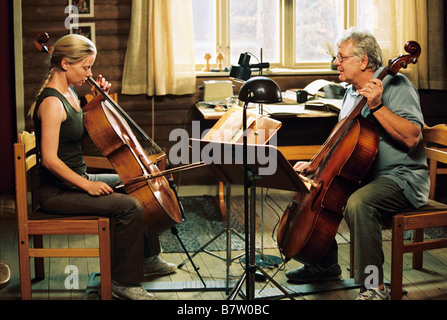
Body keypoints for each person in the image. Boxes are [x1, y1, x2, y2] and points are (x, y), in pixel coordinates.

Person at [30, 34, 177, 300]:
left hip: (74, 179)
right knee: (128, 206)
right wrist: (87, 184)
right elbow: (50, 159)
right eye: (85, 67)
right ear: (65, 64)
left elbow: (82, 124)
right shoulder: (52, 103)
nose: (89, 73)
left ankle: (147, 259)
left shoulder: (70, 92)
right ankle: (122, 282)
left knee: (137, 183)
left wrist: (99, 99)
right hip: (56, 193)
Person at [286, 29, 429, 300]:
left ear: (363, 61)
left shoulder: (397, 86)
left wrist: (377, 107)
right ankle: (324, 265)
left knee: (360, 203)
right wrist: (317, 164)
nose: (335, 63)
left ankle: (374, 286)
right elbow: (344, 140)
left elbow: (411, 137)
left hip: (400, 178)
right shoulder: (350, 92)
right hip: (364, 175)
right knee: (316, 187)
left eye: (341, 57)